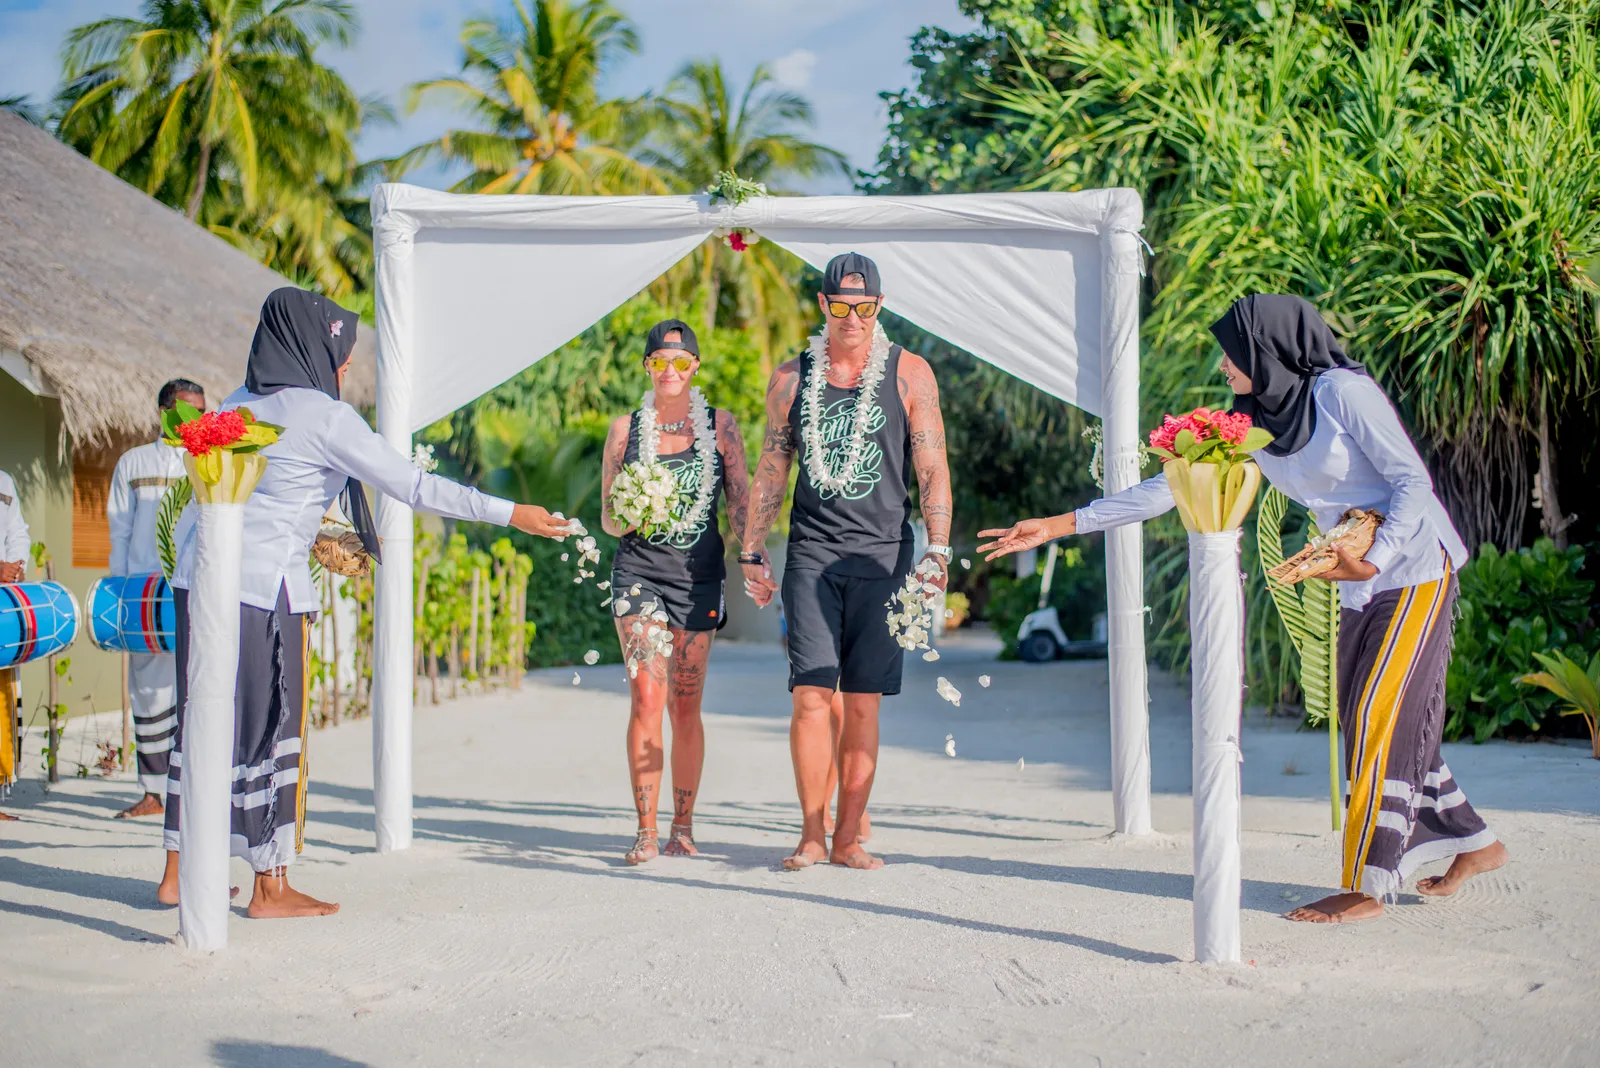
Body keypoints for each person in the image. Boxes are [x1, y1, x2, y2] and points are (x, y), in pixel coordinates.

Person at [978, 294, 1507, 923]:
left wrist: (1376, 557)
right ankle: (1474, 841)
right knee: (1369, 713)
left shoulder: (1341, 394)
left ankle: (1369, 884)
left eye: (1233, 352)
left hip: (1414, 566)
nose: (1224, 365)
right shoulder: (1252, 421)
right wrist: (1064, 523)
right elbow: (1169, 489)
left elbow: (1411, 481)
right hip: (1353, 574)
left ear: (1269, 350)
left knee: (1376, 713)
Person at [161, 287, 572, 918]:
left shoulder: (237, 403)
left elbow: (248, 497)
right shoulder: (325, 417)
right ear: (310, 345)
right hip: (262, 596)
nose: (345, 366)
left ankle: (177, 872)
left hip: (199, 583)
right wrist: (510, 512)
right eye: (340, 351)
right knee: (271, 727)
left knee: (203, 718)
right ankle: (270, 888)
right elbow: (412, 485)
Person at [743, 253, 952, 870]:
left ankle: (849, 836)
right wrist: (753, 548)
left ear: (879, 307)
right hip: (811, 550)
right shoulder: (792, 378)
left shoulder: (911, 374)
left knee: (863, 700)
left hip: (885, 554)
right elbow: (773, 466)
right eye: (842, 306)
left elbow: (932, 466)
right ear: (824, 305)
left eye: (865, 306)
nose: (853, 317)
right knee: (811, 694)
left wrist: (938, 548)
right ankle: (812, 831)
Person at [600, 320, 752, 864]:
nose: (670, 371)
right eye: (659, 362)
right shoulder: (624, 431)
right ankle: (644, 829)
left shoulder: (721, 427)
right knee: (647, 698)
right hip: (639, 571)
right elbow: (608, 521)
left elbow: (740, 504)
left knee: (686, 706)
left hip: (699, 577)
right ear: (647, 367)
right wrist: (632, 506)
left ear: (694, 368)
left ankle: (681, 827)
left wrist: (752, 559)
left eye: (680, 362)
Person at [107, 379, 206, 820]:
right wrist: (121, 594)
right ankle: (151, 792)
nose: (198, 420)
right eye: (190, 411)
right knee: (147, 689)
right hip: (144, 591)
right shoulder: (133, 462)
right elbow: (120, 532)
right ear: (167, 413)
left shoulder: (208, 463)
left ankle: (191, 788)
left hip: (194, 586)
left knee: (195, 686)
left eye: (203, 412)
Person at [0, 467, 26, 821]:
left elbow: (18, 532)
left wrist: (15, 565)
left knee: (2, 700)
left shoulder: (5, 480)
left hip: (3, 603)